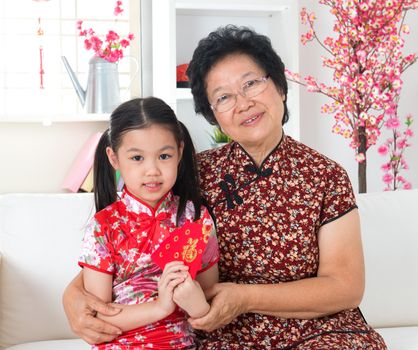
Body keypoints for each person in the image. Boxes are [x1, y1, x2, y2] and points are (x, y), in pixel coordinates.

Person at [63, 26, 387, 349]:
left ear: (280, 87)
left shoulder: (325, 176)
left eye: (251, 83)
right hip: (224, 332)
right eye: (224, 97)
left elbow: (345, 286)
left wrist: (244, 297)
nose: (243, 103)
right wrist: (73, 296)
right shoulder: (195, 171)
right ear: (214, 115)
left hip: (317, 330)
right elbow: (136, 238)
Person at [77, 97, 219, 349]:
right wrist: (160, 307)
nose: (152, 170)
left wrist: (196, 303)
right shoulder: (103, 226)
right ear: (114, 158)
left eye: (164, 155)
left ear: (180, 152)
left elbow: (210, 296)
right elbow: (99, 315)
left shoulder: (195, 218)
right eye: (137, 158)